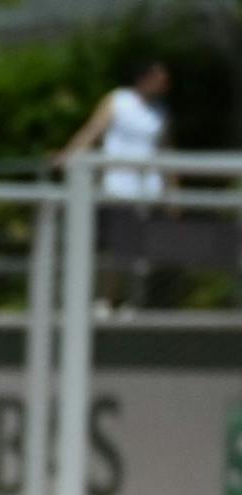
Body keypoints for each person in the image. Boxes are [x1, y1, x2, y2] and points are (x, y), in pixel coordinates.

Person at [60, 58, 173, 308]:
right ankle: (107, 299)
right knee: (119, 246)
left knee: (140, 252)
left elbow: (165, 151)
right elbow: (94, 130)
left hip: (148, 189)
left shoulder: (160, 112)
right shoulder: (118, 100)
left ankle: (134, 303)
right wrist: (69, 154)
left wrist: (172, 191)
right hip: (119, 186)